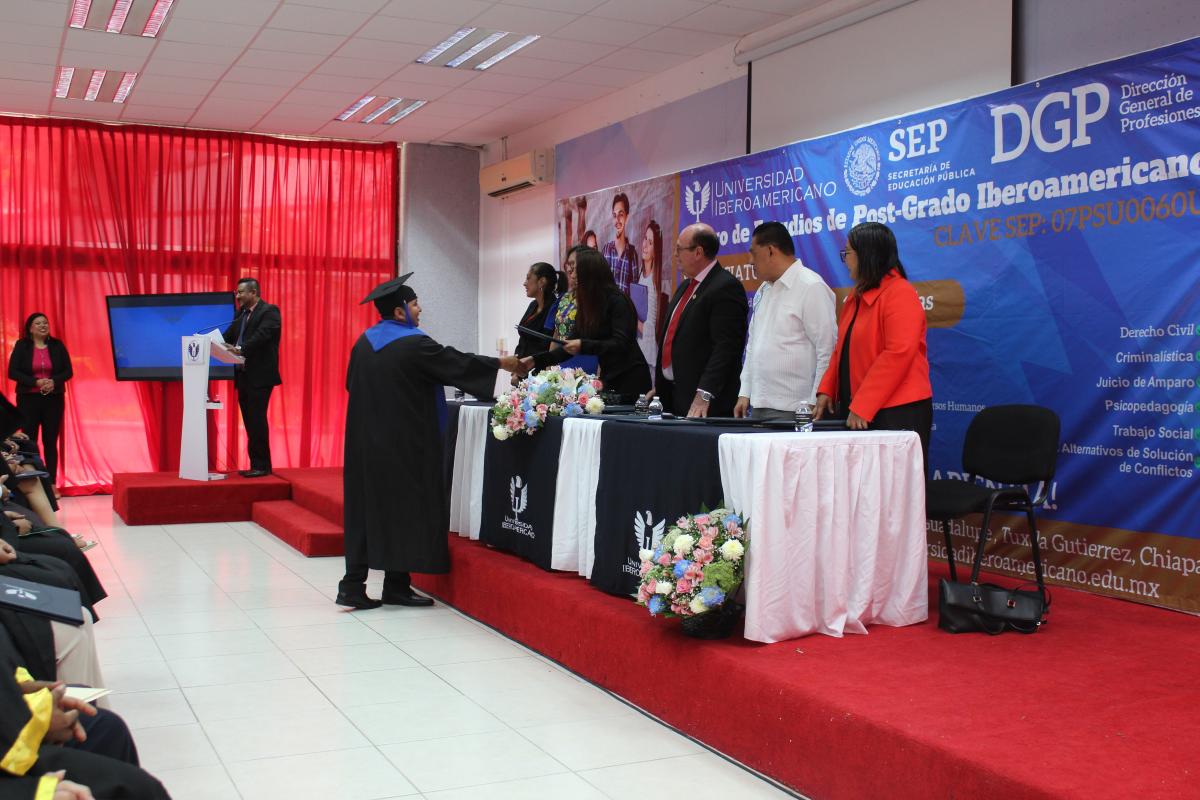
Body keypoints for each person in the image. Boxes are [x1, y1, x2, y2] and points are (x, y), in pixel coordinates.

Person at [337, 274, 527, 610]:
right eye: (414, 304)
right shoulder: (414, 344)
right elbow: (457, 362)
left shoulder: (364, 343)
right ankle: (395, 585)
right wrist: (502, 363)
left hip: (365, 444)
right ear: (399, 312)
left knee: (365, 509)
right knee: (406, 510)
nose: (419, 309)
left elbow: (352, 385)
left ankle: (356, 585)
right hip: (404, 445)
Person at [814, 221, 933, 469]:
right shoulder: (857, 296)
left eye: (848, 253)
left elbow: (898, 353)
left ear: (867, 255)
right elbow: (841, 349)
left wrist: (863, 405)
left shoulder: (899, 293)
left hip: (896, 411)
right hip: (861, 408)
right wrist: (827, 389)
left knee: (892, 485)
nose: (845, 259)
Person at [735, 222, 837, 422]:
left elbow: (827, 349)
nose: (750, 261)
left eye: (753, 253)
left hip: (797, 409)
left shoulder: (811, 286)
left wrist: (814, 401)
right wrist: (745, 391)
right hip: (758, 406)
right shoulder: (764, 289)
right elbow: (753, 344)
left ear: (770, 251)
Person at [648, 223, 748, 418]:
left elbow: (726, 348)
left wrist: (705, 393)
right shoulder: (685, 286)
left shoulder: (725, 287)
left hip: (703, 405)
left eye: (679, 249)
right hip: (672, 397)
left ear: (698, 252)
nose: (675, 255)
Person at [525, 249, 651, 402]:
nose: (571, 274)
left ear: (589, 268)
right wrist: (534, 361)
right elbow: (566, 348)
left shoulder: (618, 300)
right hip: (609, 379)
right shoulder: (589, 306)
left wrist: (583, 345)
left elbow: (620, 343)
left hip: (631, 380)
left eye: (574, 268)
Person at [222, 278, 281, 478]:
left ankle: (262, 466)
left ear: (253, 292)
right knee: (249, 421)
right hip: (243, 376)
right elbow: (228, 336)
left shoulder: (269, 312)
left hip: (260, 376)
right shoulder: (241, 314)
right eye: (237, 292)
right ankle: (256, 464)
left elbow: (261, 337)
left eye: (240, 292)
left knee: (256, 420)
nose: (237, 296)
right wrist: (211, 342)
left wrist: (239, 349)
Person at [8, 314, 72, 491]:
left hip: (53, 400)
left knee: (50, 441)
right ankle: (33, 483)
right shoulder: (22, 345)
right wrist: (35, 382)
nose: (43, 326)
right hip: (28, 400)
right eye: (38, 323)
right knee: (29, 441)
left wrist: (53, 381)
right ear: (30, 328)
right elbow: (13, 372)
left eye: (45, 323)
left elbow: (68, 371)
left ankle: (51, 484)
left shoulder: (57, 345)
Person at [634, 220, 669, 369]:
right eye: (645, 239)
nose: (645, 245)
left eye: (650, 242)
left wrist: (632, 319)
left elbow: (651, 329)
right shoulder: (641, 274)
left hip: (648, 358)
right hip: (638, 351)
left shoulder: (653, 282)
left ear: (656, 250)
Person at [514, 263, 559, 359]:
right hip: (521, 363)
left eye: (528, 278)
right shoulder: (533, 305)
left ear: (541, 282)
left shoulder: (555, 308)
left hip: (539, 365)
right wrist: (516, 358)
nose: (524, 283)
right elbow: (523, 339)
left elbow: (547, 346)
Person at [601, 193, 639, 296]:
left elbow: (634, 293)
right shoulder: (606, 250)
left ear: (627, 217)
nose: (617, 220)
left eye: (621, 214)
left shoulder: (632, 254)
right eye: (614, 215)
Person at [550, 246, 584, 342]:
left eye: (572, 265)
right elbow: (557, 332)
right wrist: (552, 352)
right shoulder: (565, 297)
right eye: (568, 265)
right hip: (561, 349)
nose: (569, 270)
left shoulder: (593, 299)